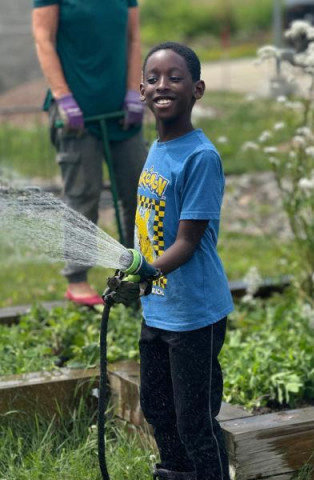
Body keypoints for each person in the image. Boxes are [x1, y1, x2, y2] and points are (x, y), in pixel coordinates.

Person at [114, 41, 234, 480]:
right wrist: (132, 269)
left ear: (197, 90)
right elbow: (150, 228)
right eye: (152, 78)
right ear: (142, 92)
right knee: (158, 410)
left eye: (175, 77)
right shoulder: (158, 148)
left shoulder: (200, 157)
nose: (162, 85)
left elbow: (186, 242)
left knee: (195, 421)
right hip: (158, 307)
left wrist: (146, 272)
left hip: (194, 316)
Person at [32, 0, 147, 305]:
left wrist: (135, 92)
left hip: (123, 109)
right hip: (76, 114)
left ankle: (135, 275)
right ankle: (77, 280)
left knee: (140, 193)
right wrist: (63, 96)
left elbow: (133, 37)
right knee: (84, 194)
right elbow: (43, 38)